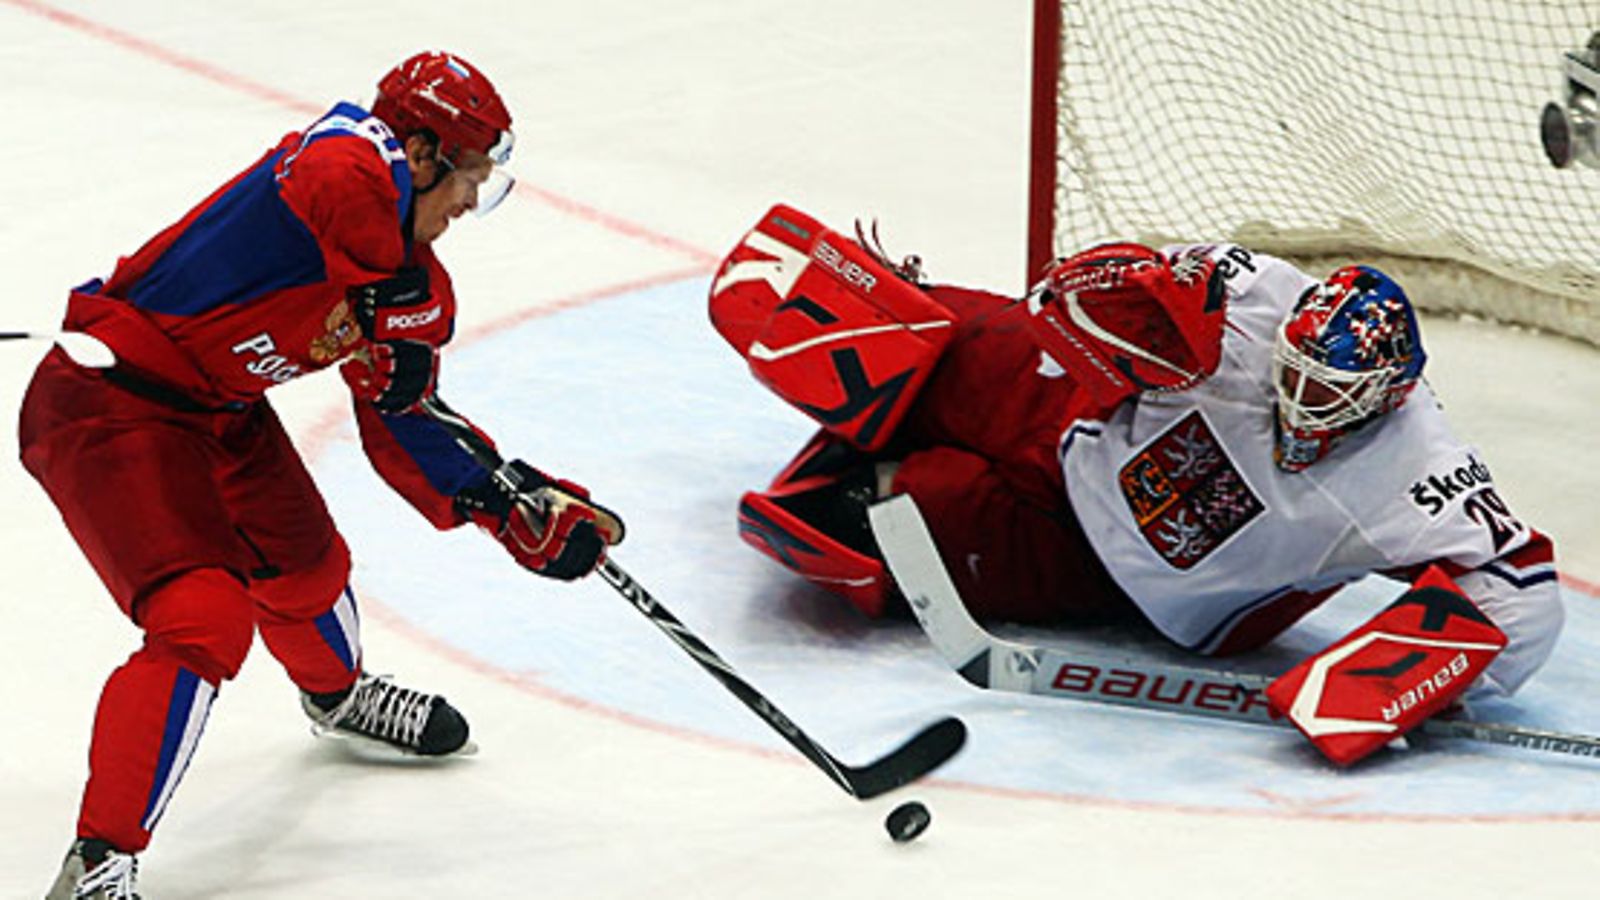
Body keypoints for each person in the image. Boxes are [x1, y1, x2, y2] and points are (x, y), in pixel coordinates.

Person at [24, 51, 624, 899]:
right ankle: (99, 862)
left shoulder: (413, 284)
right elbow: (333, 162)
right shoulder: (346, 163)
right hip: (109, 404)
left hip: (221, 414)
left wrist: (503, 501)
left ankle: (337, 699)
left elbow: (402, 415)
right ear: (417, 154)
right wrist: (389, 289)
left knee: (309, 570)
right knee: (204, 620)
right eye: (464, 180)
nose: (464, 205)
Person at [711, 206, 1561, 714]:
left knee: (882, 508)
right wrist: (1119, 299)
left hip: (1111, 569)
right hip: (1074, 414)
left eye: (1332, 398)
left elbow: (1522, 589)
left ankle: (886, 470)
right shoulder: (1259, 294)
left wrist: (1413, 681)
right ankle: (902, 393)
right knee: (911, 334)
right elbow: (1076, 294)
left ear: (1389, 392)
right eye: (1296, 380)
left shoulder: (1417, 467)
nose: (1305, 407)